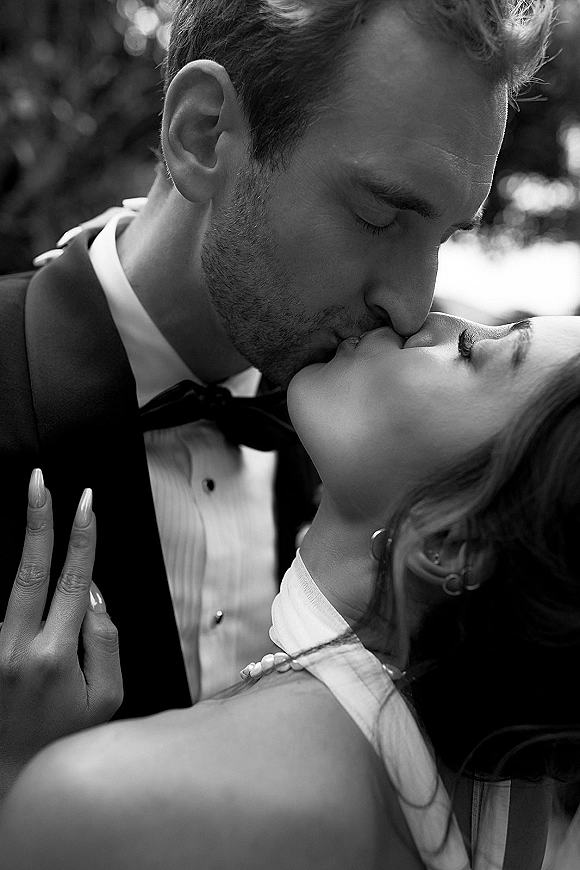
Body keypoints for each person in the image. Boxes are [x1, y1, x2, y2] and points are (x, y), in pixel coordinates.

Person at [0, 0, 553, 766]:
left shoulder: (370, 460)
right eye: (380, 215)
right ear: (204, 135)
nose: (408, 302)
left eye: (444, 236)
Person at [1, 310, 580, 869]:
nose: (420, 316)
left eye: (472, 350)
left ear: (451, 543)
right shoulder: (508, 795)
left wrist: (16, 773)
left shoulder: (111, 799)